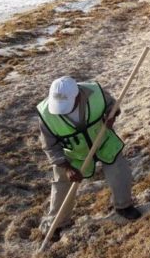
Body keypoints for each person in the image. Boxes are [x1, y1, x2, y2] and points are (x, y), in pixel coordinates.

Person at [37, 76, 140, 239]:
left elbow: (113, 105)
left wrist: (112, 115)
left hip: (103, 142)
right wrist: (68, 167)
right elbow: (50, 146)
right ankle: (57, 223)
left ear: (78, 95)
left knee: (119, 172)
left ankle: (123, 206)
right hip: (73, 153)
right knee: (61, 184)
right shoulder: (46, 114)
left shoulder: (96, 93)